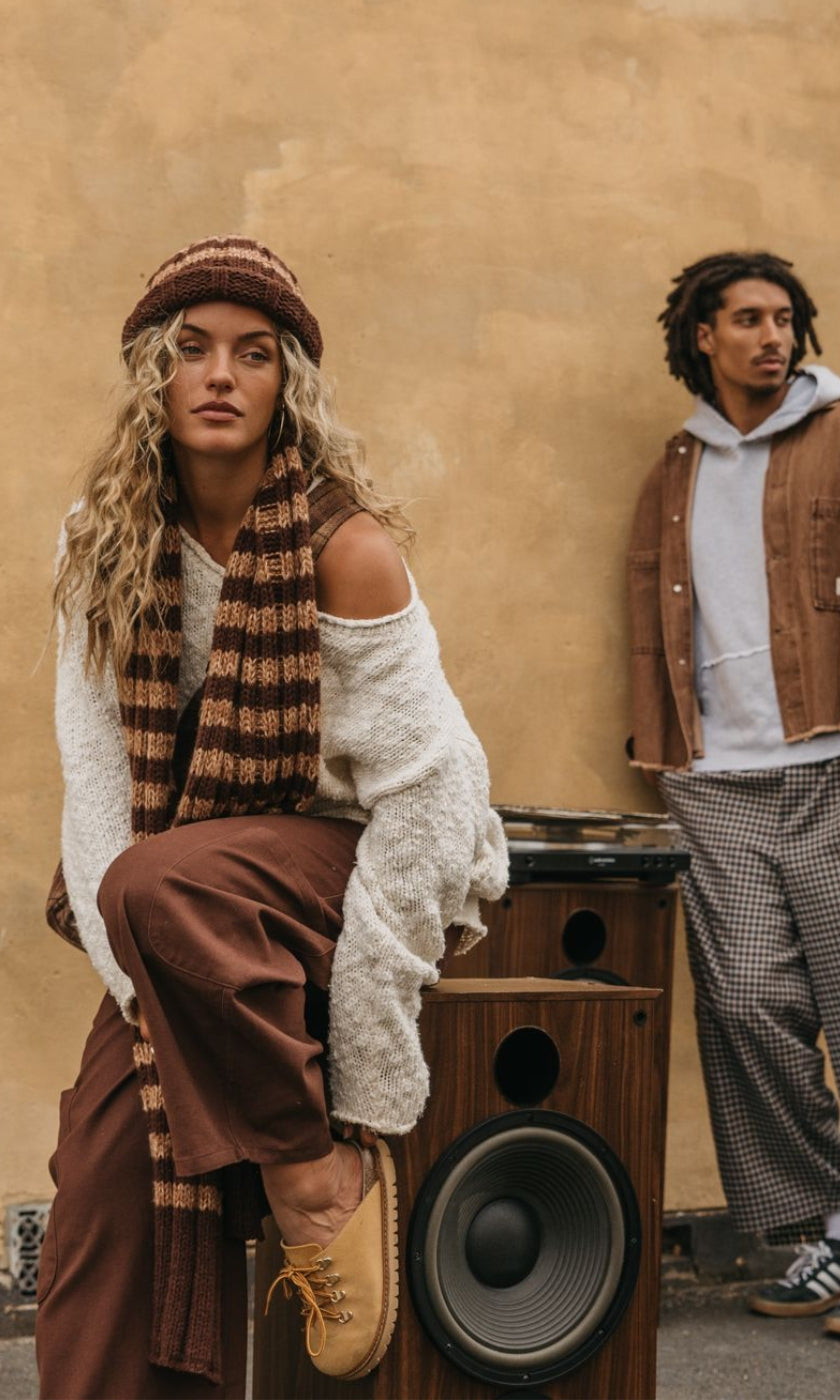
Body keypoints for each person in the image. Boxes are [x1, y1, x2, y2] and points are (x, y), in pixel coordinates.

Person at [36, 235, 507, 1399]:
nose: (218, 374)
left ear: (287, 382)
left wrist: (364, 1069)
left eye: (253, 353)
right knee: (101, 1186)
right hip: (179, 915)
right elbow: (96, 790)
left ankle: (310, 1180)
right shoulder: (103, 544)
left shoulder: (347, 550)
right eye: (192, 348)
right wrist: (153, 1001)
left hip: (352, 866)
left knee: (162, 881)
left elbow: (432, 801)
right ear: (154, 371)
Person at [627, 251, 840, 1341]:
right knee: (742, 1006)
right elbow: (653, 621)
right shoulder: (677, 468)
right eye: (747, 319)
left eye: (783, 318)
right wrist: (668, 762)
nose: (771, 337)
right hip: (720, 789)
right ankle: (837, 1227)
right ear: (702, 336)